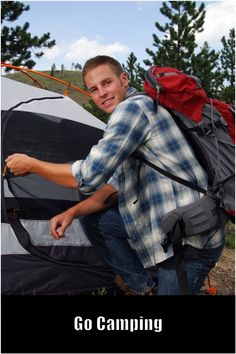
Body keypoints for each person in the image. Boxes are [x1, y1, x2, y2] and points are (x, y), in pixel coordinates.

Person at [5, 55, 225, 295]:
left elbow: (87, 177)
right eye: (94, 89)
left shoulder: (132, 109)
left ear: (123, 79)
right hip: (175, 226)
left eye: (107, 83)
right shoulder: (137, 114)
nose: (102, 93)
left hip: (189, 240)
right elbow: (108, 191)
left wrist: (33, 165)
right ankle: (143, 287)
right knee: (99, 222)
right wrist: (71, 212)